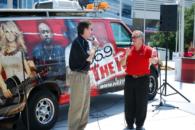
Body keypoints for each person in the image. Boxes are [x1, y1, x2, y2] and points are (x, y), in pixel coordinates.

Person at [121, 30, 158, 130]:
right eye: (132, 37)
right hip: (130, 78)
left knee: (141, 103)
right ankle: (129, 124)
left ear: (141, 38)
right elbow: (122, 64)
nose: (133, 39)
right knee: (129, 102)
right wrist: (126, 56)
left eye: (135, 37)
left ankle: (139, 125)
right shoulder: (129, 50)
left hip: (143, 79)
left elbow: (156, 60)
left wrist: (154, 60)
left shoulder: (148, 50)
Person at [67, 21, 99, 130]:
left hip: (84, 75)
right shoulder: (78, 42)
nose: (92, 31)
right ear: (84, 30)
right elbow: (88, 58)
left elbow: (89, 60)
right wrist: (95, 47)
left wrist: (93, 48)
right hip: (78, 76)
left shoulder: (85, 42)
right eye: (90, 29)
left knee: (85, 106)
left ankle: (81, 128)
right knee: (77, 106)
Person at [0, 21, 35, 116]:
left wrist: (33, 73)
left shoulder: (21, 51)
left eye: (12, 31)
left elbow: (29, 72)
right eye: (7, 32)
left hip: (24, 86)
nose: (9, 35)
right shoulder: (1, 53)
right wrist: (4, 88)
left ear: (16, 33)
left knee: (24, 111)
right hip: (11, 89)